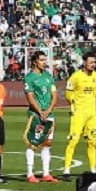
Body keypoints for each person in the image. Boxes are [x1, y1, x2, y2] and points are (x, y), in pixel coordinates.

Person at [63, 52, 96, 179]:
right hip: (79, 114)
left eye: (94, 62)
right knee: (73, 141)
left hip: (92, 114)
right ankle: (67, 170)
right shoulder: (75, 76)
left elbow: (95, 93)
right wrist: (73, 105)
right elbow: (68, 94)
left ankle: (93, 169)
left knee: (92, 142)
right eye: (90, 62)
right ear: (84, 62)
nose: (93, 65)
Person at [24, 50, 59, 183]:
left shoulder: (49, 77)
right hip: (36, 115)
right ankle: (30, 173)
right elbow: (30, 97)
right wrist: (40, 111)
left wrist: (49, 109)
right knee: (33, 143)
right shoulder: (29, 78)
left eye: (45, 60)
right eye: (42, 60)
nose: (44, 62)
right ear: (35, 62)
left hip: (49, 114)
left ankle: (46, 173)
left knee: (47, 143)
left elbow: (54, 95)